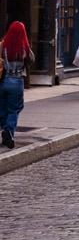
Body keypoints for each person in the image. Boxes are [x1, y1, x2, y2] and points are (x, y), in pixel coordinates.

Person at [0, 21, 34, 149]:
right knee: (14, 109)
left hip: (3, 80)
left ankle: (5, 131)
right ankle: (9, 131)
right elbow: (31, 60)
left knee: (2, 108)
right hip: (17, 80)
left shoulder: (2, 45)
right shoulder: (24, 47)